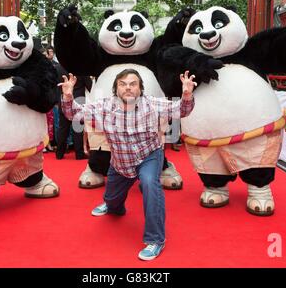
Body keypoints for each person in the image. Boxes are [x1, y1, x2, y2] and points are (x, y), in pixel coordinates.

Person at [59, 68, 196, 261]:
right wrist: (67, 96)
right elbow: (74, 114)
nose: (128, 88)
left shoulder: (153, 103)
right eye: (123, 84)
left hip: (148, 156)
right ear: (116, 88)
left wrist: (187, 94)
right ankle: (112, 204)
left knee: (149, 184)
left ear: (140, 88)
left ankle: (155, 240)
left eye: (133, 84)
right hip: (120, 162)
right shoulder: (104, 106)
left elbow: (182, 110)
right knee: (113, 205)